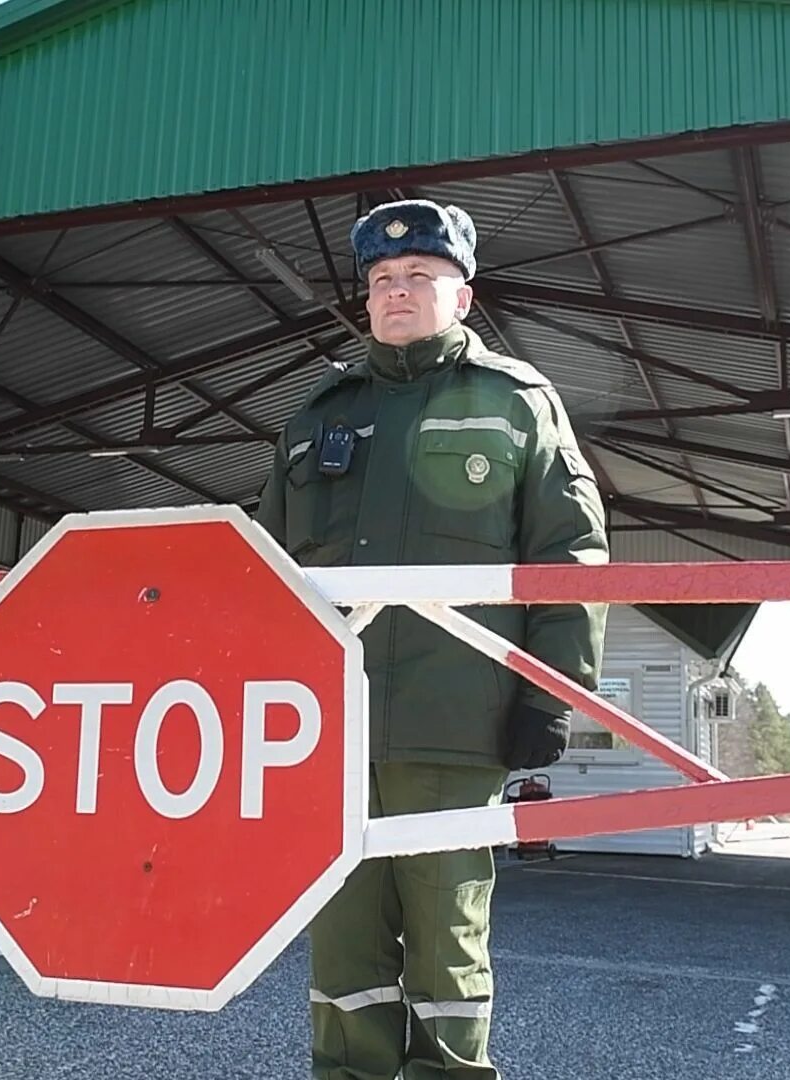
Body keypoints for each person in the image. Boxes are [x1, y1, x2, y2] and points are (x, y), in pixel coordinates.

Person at [253, 199, 609, 1080]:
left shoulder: (515, 402)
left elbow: (570, 557)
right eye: (380, 280)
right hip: (327, 733)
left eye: (418, 276)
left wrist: (549, 696)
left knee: (447, 941)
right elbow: (263, 573)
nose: (396, 292)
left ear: (464, 293)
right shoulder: (316, 415)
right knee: (341, 948)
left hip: (454, 726)